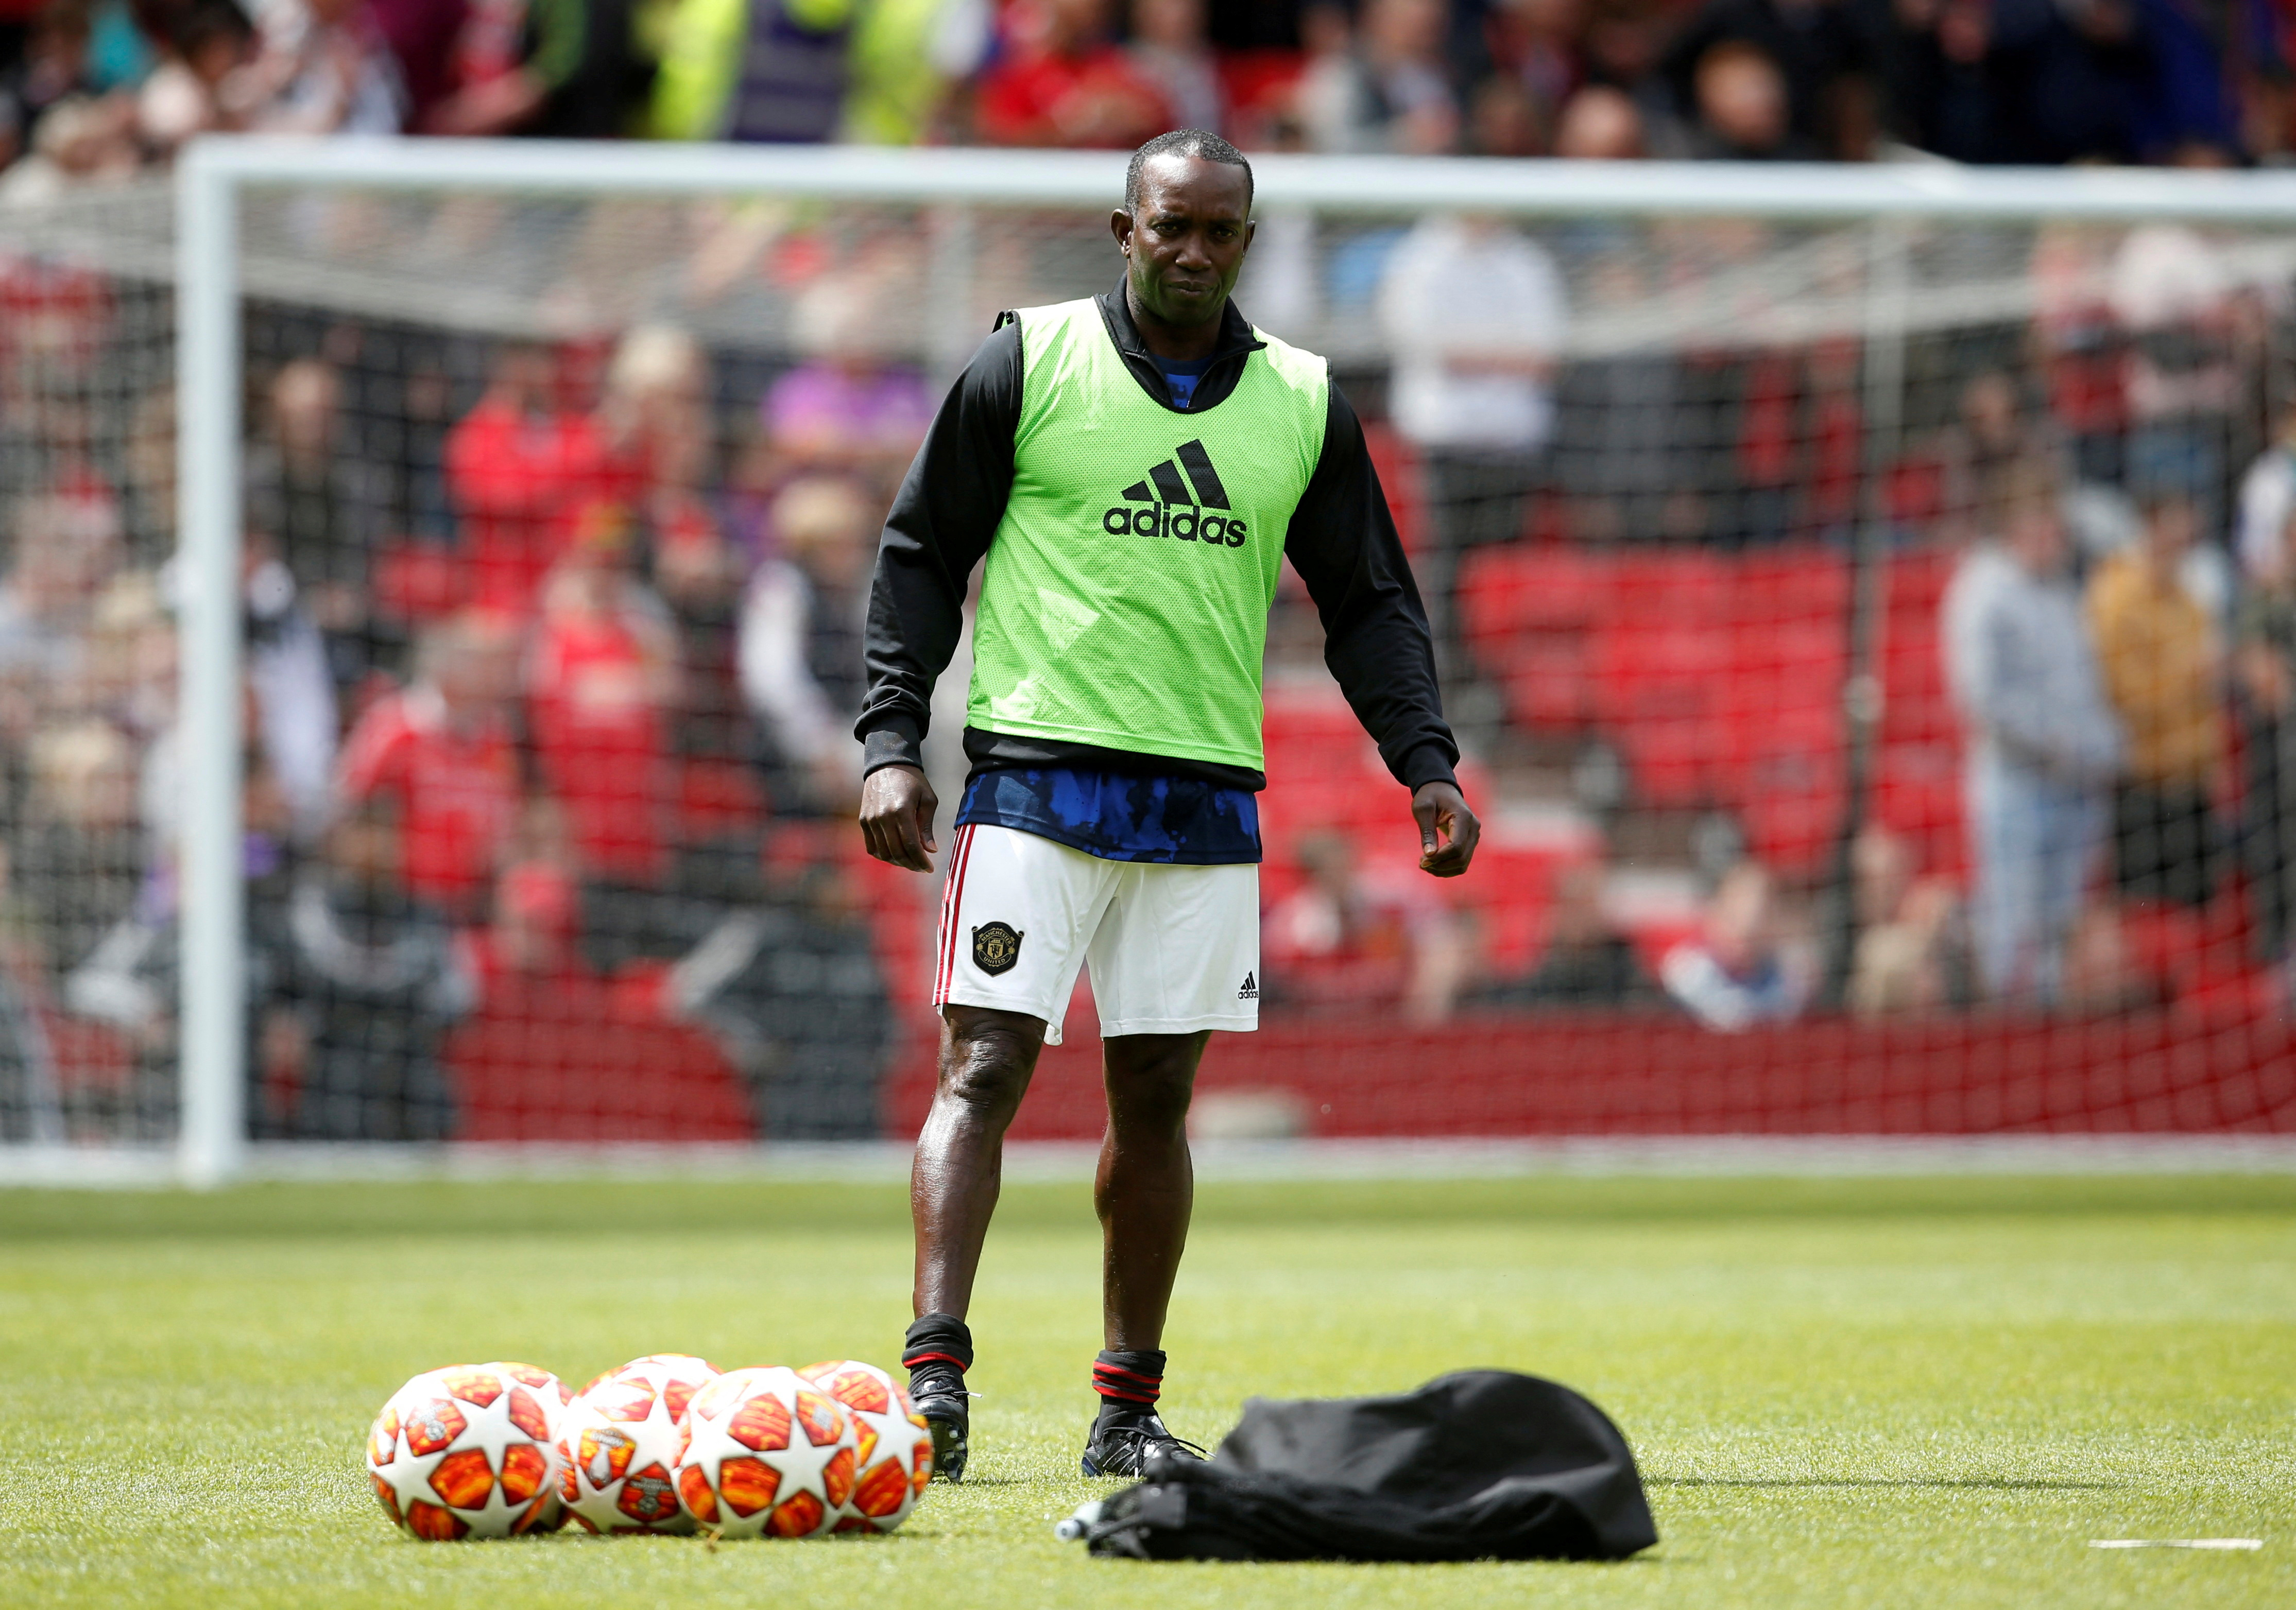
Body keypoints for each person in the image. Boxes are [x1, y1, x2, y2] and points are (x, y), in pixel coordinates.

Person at [854, 130, 1475, 1482]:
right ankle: (933, 1378)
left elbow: (1369, 601)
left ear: (1245, 243)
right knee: (985, 1070)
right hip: (1031, 780)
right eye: (1169, 226)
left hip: (1201, 804)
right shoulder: (1029, 363)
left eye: (1218, 231)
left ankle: (1126, 1408)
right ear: (1122, 229)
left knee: (1157, 1104)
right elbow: (918, 554)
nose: (1193, 251)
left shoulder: (1304, 402)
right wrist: (890, 740)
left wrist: (1424, 761)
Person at [1943, 459, 2122, 1004]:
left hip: (2077, 786)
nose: (2057, 534)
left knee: (2061, 928)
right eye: (2045, 522)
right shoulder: (1983, 588)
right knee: (2012, 925)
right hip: (2016, 785)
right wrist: (2055, 746)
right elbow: (1981, 698)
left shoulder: (2063, 589)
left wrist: (2104, 744)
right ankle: (2006, 1036)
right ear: (2016, 524)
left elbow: (2084, 684)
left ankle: (2048, 1037)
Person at [1377, 210, 1566, 706]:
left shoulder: (1528, 264)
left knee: (1502, 575)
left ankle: (1497, 690)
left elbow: (1543, 355)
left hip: (1513, 446)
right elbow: (1425, 344)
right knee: (1445, 569)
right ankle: (1441, 680)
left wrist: (1472, 355)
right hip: (1444, 441)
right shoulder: (1420, 260)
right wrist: (1499, 356)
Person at [2085, 492, 2226, 908]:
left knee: (2200, 920)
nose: (2187, 538)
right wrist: (2192, 679)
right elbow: (2125, 697)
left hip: (2194, 779)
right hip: (2146, 786)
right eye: (2178, 525)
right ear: (2154, 525)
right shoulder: (2116, 596)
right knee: (2150, 916)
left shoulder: (2187, 595)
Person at [1261, 828, 1467, 1021]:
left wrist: (1424, 1005)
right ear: (1308, 876)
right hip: (1328, 1029)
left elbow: (1441, 943)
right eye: (1325, 870)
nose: (1337, 876)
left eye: (1342, 865)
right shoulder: (1290, 927)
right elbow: (1286, 993)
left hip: (1395, 1022)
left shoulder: (1393, 902)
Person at [1660, 859, 1811, 1031]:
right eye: (1739, 910)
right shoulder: (1686, 972)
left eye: (1762, 913)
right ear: (1718, 912)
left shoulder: (1789, 977)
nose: (1750, 924)